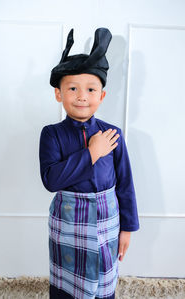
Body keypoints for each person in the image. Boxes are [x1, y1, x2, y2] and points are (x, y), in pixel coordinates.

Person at [39, 27, 140, 299]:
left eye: (90, 89)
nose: (82, 96)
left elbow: (126, 184)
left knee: (103, 284)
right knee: (66, 287)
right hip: (68, 223)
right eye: (72, 88)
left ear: (101, 96)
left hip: (108, 220)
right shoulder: (51, 134)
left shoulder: (112, 134)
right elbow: (52, 180)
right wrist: (92, 153)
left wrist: (127, 228)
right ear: (59, 94)